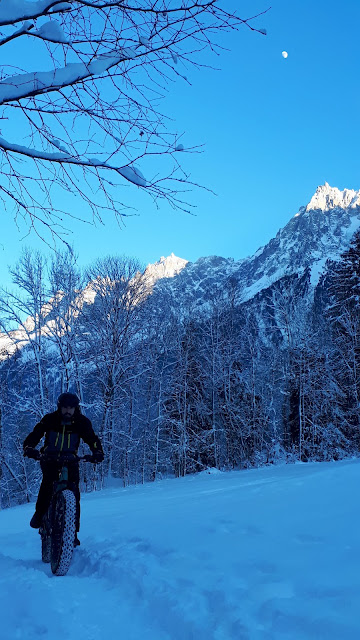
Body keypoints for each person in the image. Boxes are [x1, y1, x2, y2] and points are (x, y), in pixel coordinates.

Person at [23, 392, 104, 545]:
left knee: (74, 494)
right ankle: (40, 514)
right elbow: (36, 434)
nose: (68, 411)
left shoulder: (81, 422)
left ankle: (72, 533)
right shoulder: (50, 420)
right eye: (65, 408)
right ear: (59, 407)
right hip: (49, 458)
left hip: (71, 460)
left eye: (71, 408)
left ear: (76, 409)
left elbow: (92, 439)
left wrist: (97, 452)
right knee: (48, 485)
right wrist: (29, 447)